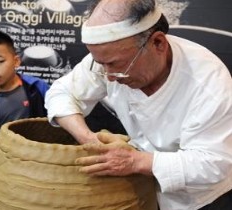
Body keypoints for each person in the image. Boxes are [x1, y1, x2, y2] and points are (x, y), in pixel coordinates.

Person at [44, 0, 232, 209]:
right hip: (145, 188)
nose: (109, 77)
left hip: (199, 198)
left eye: (116, 65)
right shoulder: (109, 57)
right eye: (101, 64)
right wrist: (88, 138)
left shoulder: (208, 83)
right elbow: (61, 92)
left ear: (158, 43)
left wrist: (135, 161)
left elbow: (212, 164)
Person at [0, 30, 50, 152]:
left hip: (36, 156)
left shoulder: (38, 88)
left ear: (16, 61)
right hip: (3, 159)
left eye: (0, 61)